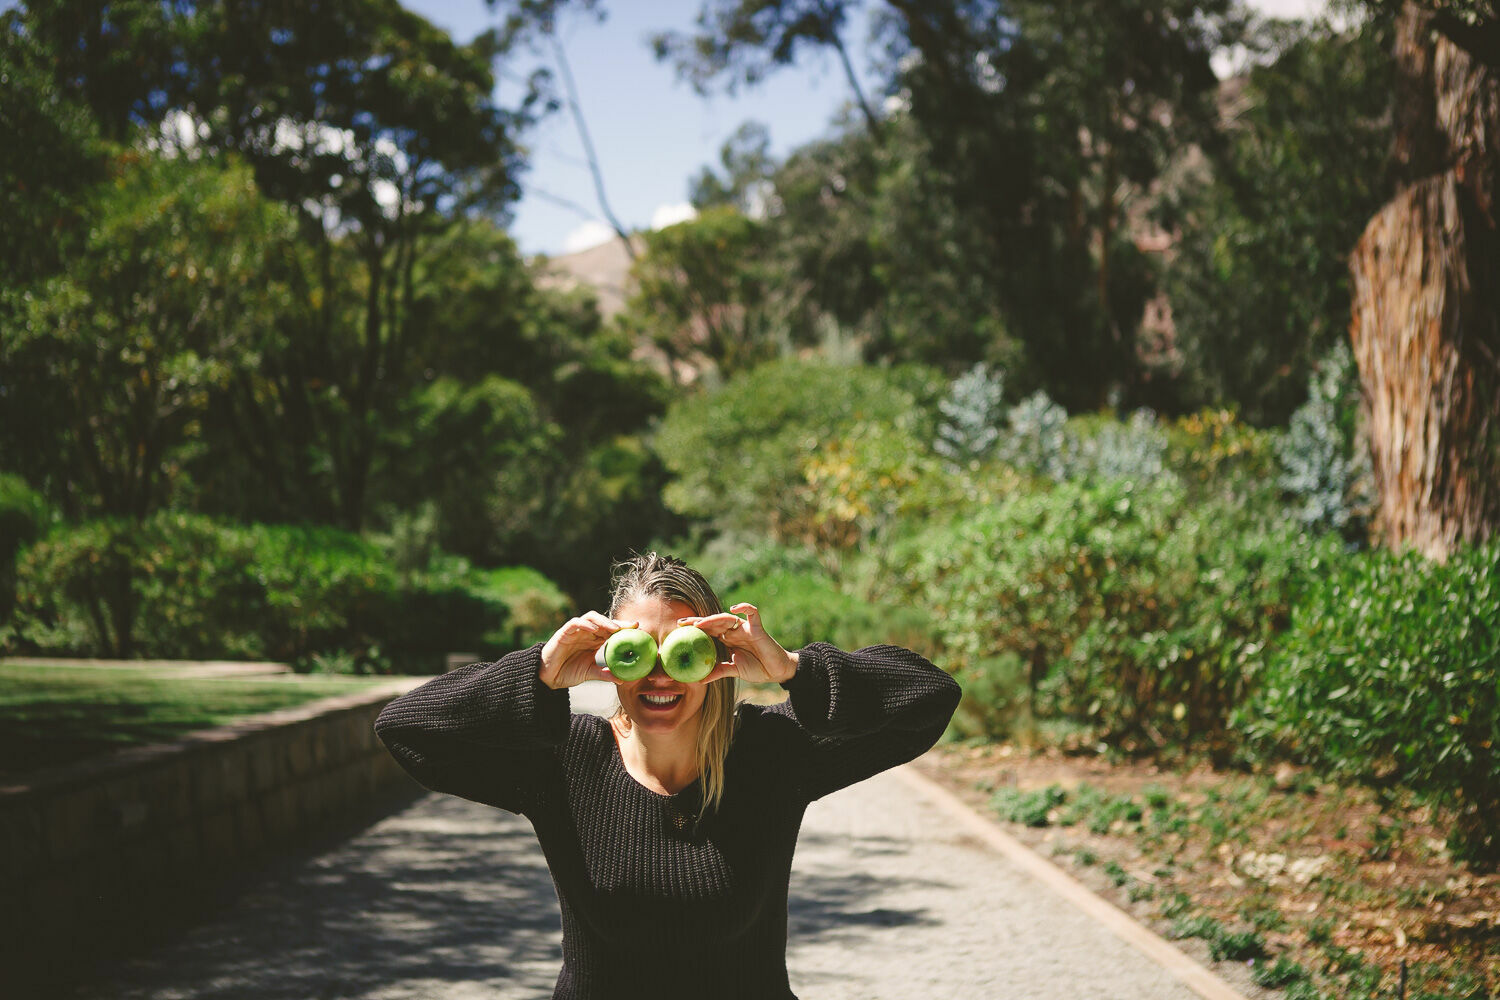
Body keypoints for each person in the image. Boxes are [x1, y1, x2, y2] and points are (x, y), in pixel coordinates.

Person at [373, 551, 961, 1000]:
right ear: (608, 656)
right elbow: (406, 730)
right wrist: (538, 673)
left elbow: (930, 701)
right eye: (637, 651)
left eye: (680, 650)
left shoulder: (772, 753)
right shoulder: (561, 761)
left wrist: (794, 670)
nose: (659, 675)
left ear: (715, 657)